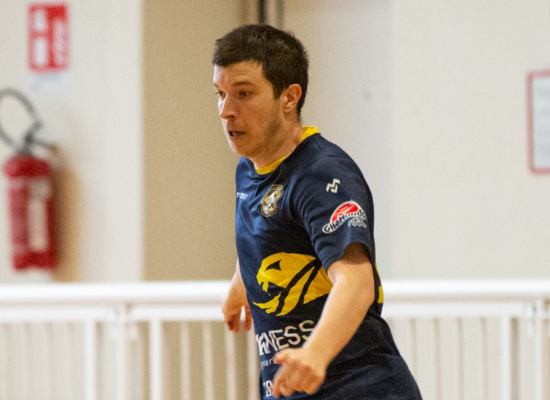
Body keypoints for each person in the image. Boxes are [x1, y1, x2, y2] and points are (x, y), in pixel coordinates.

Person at [212, 24, 422, 400]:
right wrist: (239, 287)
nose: (227, 110)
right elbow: (271, 235)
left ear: (289, 97)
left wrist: (316, 353)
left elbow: (357, 282)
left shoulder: (321, 174)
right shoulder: (249, 170)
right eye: (221, 94)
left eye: (243, 93)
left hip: (361, 389)